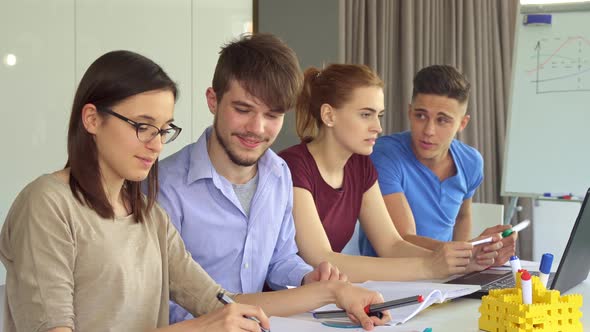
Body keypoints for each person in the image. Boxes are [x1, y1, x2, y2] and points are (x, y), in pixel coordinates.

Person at [0, 50, 389, 332]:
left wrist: (338, 292)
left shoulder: (145, 212)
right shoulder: (48, 204)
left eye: (164, 129)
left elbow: (216, 300)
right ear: (92, 119)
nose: (155, 143)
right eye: (141, 125)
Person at [156, 33, 352, 324]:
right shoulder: (165, 185)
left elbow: (279, 259)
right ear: (213, 100)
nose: (257, 128)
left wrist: (306, 277)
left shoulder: (279, 173)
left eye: (272, 115)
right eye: (243, 109)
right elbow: (164, 297)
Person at [278, 63, 503, 283]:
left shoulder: (360, 166)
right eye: (366, 114)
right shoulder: (293, 166)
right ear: (328, 115)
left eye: (379, 115)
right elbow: (321, 259)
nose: (378, 127)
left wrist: (462, 262)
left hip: (323, 296)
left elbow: (392, 245)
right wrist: (430, 266)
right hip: (282, 300)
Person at [357, 64, 515, 265]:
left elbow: (462, 217)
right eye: (421, 115)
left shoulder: (471, 162)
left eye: (442, 120)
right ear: (409, 112)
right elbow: (402, 240)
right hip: (390, 279)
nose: (429, 130)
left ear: (462, 124)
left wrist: (466, 261)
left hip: (443, 276)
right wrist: (466, 252)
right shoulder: (383, 155)